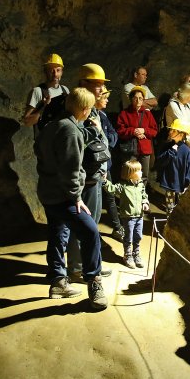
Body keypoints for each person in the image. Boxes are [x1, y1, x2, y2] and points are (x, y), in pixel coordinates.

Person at [37, 87, 109, 310]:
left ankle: (58, 281)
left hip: (48, 192)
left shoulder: (53, 125)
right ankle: (94, 281)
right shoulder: (70, 132)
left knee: (58, 233)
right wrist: (76, 197)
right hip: (63, 196)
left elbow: (67, 137)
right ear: (86, 110)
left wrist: (92, 133)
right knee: (90, 231)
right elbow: (72, 169)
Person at [66, 63, 114, 282]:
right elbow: (78, 145)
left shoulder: (94, 110)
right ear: (84, 84)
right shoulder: (78, 110)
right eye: (97, 85)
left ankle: (91, 264)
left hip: (96, 175)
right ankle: (77, 267)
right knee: (82, 224)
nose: (101, 89)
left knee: (92, 225)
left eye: (102, 85)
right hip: (85, 178)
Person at [104, 160, 149, 269]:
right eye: (139, 171)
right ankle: (127, 255)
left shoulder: (140, 185)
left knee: (138, 236)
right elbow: (112, 189)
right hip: (128, 217)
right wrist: (105, 181)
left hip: (139, 216)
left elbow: (144, 195)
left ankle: (136, 254)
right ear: (130, 173)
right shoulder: (123, 185)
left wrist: (145, 202)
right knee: (128, 237)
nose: (141, 173)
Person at [95, 88, 124, 241]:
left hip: (106, 163)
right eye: (104, 97)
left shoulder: (103, 115)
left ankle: (117, 227)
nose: (107, 100)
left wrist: (107, 142)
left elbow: (113, 135)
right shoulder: (90, 117)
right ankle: (94, 234)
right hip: (97, 166)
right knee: (96, 200)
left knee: (110, 196)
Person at [116, 86, 158, 184]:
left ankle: (141, 197)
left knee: (144, 176)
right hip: (130, 150)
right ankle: (130, 197)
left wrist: (144, 130)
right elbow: (120, 131)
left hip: (145, 150)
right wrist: (133, 131)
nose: (138, 100)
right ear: (131, 99)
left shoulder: (147, 114)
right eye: (135, 98)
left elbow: (154, 131)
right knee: (130, 174)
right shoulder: (124, 114)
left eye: (140, 98)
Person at [22, 53, 69, 138]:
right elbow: (27, 121)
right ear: (45, 71)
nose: (55, 74)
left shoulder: (65, 90)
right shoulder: (37, 92)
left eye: (58, 70)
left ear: (62, 72)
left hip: (61, 139)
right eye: (51, 70)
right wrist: (44, 106)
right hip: (45, 142)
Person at [156, 118, 190, 214]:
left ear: (181, 134)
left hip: (181, 186)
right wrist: (171, 152)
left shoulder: (186, 151)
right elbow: (160, 162)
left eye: (174, 130)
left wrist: (187, 184)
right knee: (170, 210)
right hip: (169, 184)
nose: (170, 132)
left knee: (180, 210)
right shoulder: (167, 147)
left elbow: (189, 170)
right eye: (171, 129)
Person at [165, 82, 190, 148]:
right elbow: (181, 124)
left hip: (186, 141)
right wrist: (189, 125)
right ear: (185, 94)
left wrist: (188, 126)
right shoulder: (173, 105)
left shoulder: (188, 106)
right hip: (175, 142)